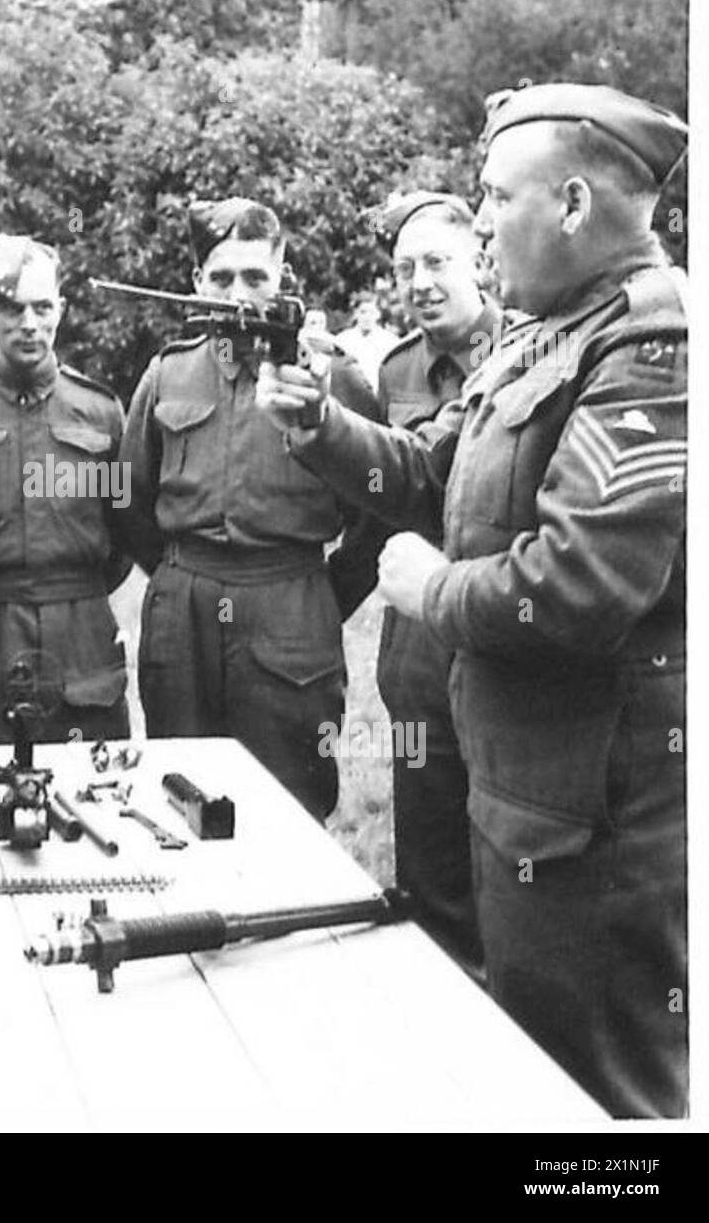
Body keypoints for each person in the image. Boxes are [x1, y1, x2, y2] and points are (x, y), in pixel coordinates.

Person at [257, 83, 688, 1117]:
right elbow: (424, 470)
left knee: (603, 1099)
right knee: (533, 1078)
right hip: (524, 804)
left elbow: (584, 583)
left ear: (575, 206)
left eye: (497, 198)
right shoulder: (541, 334)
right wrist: (321, 426)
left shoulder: (650, 348)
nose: (482, 221)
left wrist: (430, 588)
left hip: (596, 829)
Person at [119, 197, 380, 821]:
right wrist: (185, 579)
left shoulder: (329, 376)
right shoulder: (168, 375)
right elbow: (129, 499)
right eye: (221, 278)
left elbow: (379, 510)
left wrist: (314, 599)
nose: (238, 293)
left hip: (287, 611)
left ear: (282, 276)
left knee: (286, 807)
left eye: (255, 277)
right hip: (182, 620)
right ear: (197, 284)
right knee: (179, 801)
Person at [329, 190, 508, 975]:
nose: (421, 281)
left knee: (512, 871)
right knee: (430, 871)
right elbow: (376, 505)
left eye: (438, 262)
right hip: (417, 656)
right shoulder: (397, 368)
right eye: (406, 268)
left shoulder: (529, 350)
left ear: (481, 263)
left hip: (501, 634)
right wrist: (319, 609)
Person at [0, 235, 130, 743]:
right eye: (11, 308)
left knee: (93, 793)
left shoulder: (101, 412)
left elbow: (124, 535)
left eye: (42, 307)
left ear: (61, 311)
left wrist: (71, 595)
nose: (28, 323)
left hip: (81, 632)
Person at [335, 292, 397, 389]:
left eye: (371, 312)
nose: (367, 317)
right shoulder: (343, 339)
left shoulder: (390, 341)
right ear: (356, 313)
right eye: (363, 312)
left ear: (378, 314)